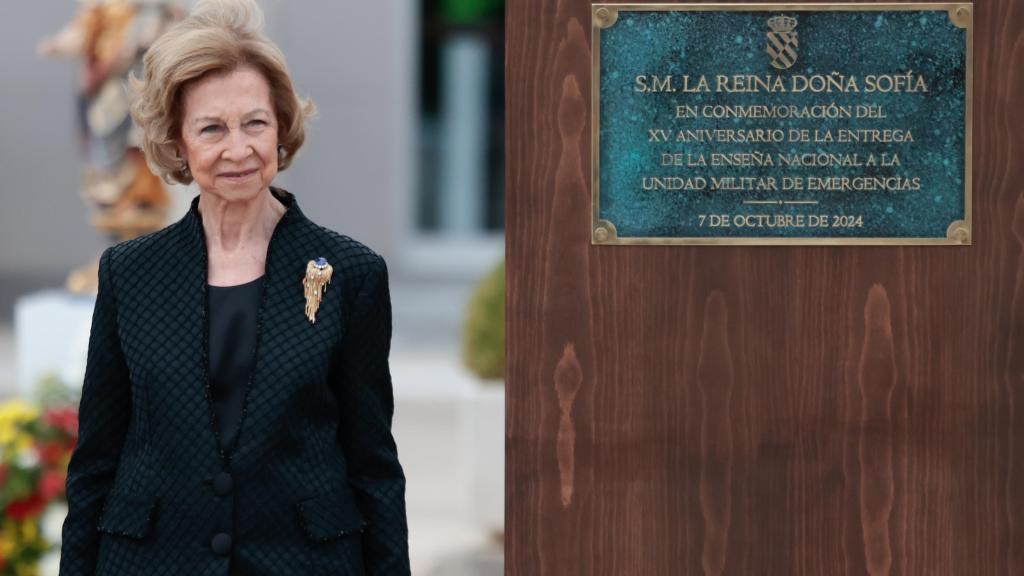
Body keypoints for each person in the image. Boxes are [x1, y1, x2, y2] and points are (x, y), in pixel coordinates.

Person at [58, 1, 410, 574]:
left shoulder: (351, 273)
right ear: (177, 140)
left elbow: (372, 464)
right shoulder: (129, 273)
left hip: (302, 562)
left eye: (255, 122)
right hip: (151, 562)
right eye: (212, 128)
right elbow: (95, 461)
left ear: (281, 127)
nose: (238, 148)